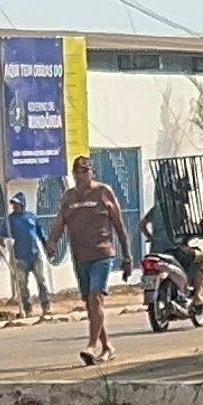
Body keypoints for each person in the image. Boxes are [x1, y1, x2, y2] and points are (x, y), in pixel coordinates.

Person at [58, 153, 126, 365]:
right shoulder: (69, 197)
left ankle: (91, 345)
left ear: (92, 173)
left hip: (102, 254)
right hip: (80, 257)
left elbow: (119, 225)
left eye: (84, 172)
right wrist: (52, 241)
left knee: (96, 297)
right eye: (76, 172)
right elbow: (60, 221)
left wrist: (128, 255)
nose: (80, 176)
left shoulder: (103, 192)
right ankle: (106, 346)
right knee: (90, 304)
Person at [5, 190, 49, 321]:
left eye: (17, 204)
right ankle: (27, 308)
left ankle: (46, 306)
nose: (15, 207)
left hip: (35, 255)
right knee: (22, 284)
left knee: (41, 281)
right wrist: (5, 242)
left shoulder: (32, 217)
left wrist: (47, 247)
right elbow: (3, 235)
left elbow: (40, 234)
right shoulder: (9, 220)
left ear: (23, 204)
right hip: (19, 257)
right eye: (13, 205)